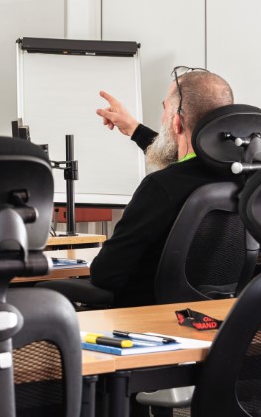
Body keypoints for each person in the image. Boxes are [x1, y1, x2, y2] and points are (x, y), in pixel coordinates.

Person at [81, 68, 234, 306]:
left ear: (176, 121)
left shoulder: (160, 188)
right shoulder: (249, 179)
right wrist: (134, 128)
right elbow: (187, 163)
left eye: (165, 108)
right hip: (221, 316)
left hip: (145, 321)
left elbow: (106, 274)